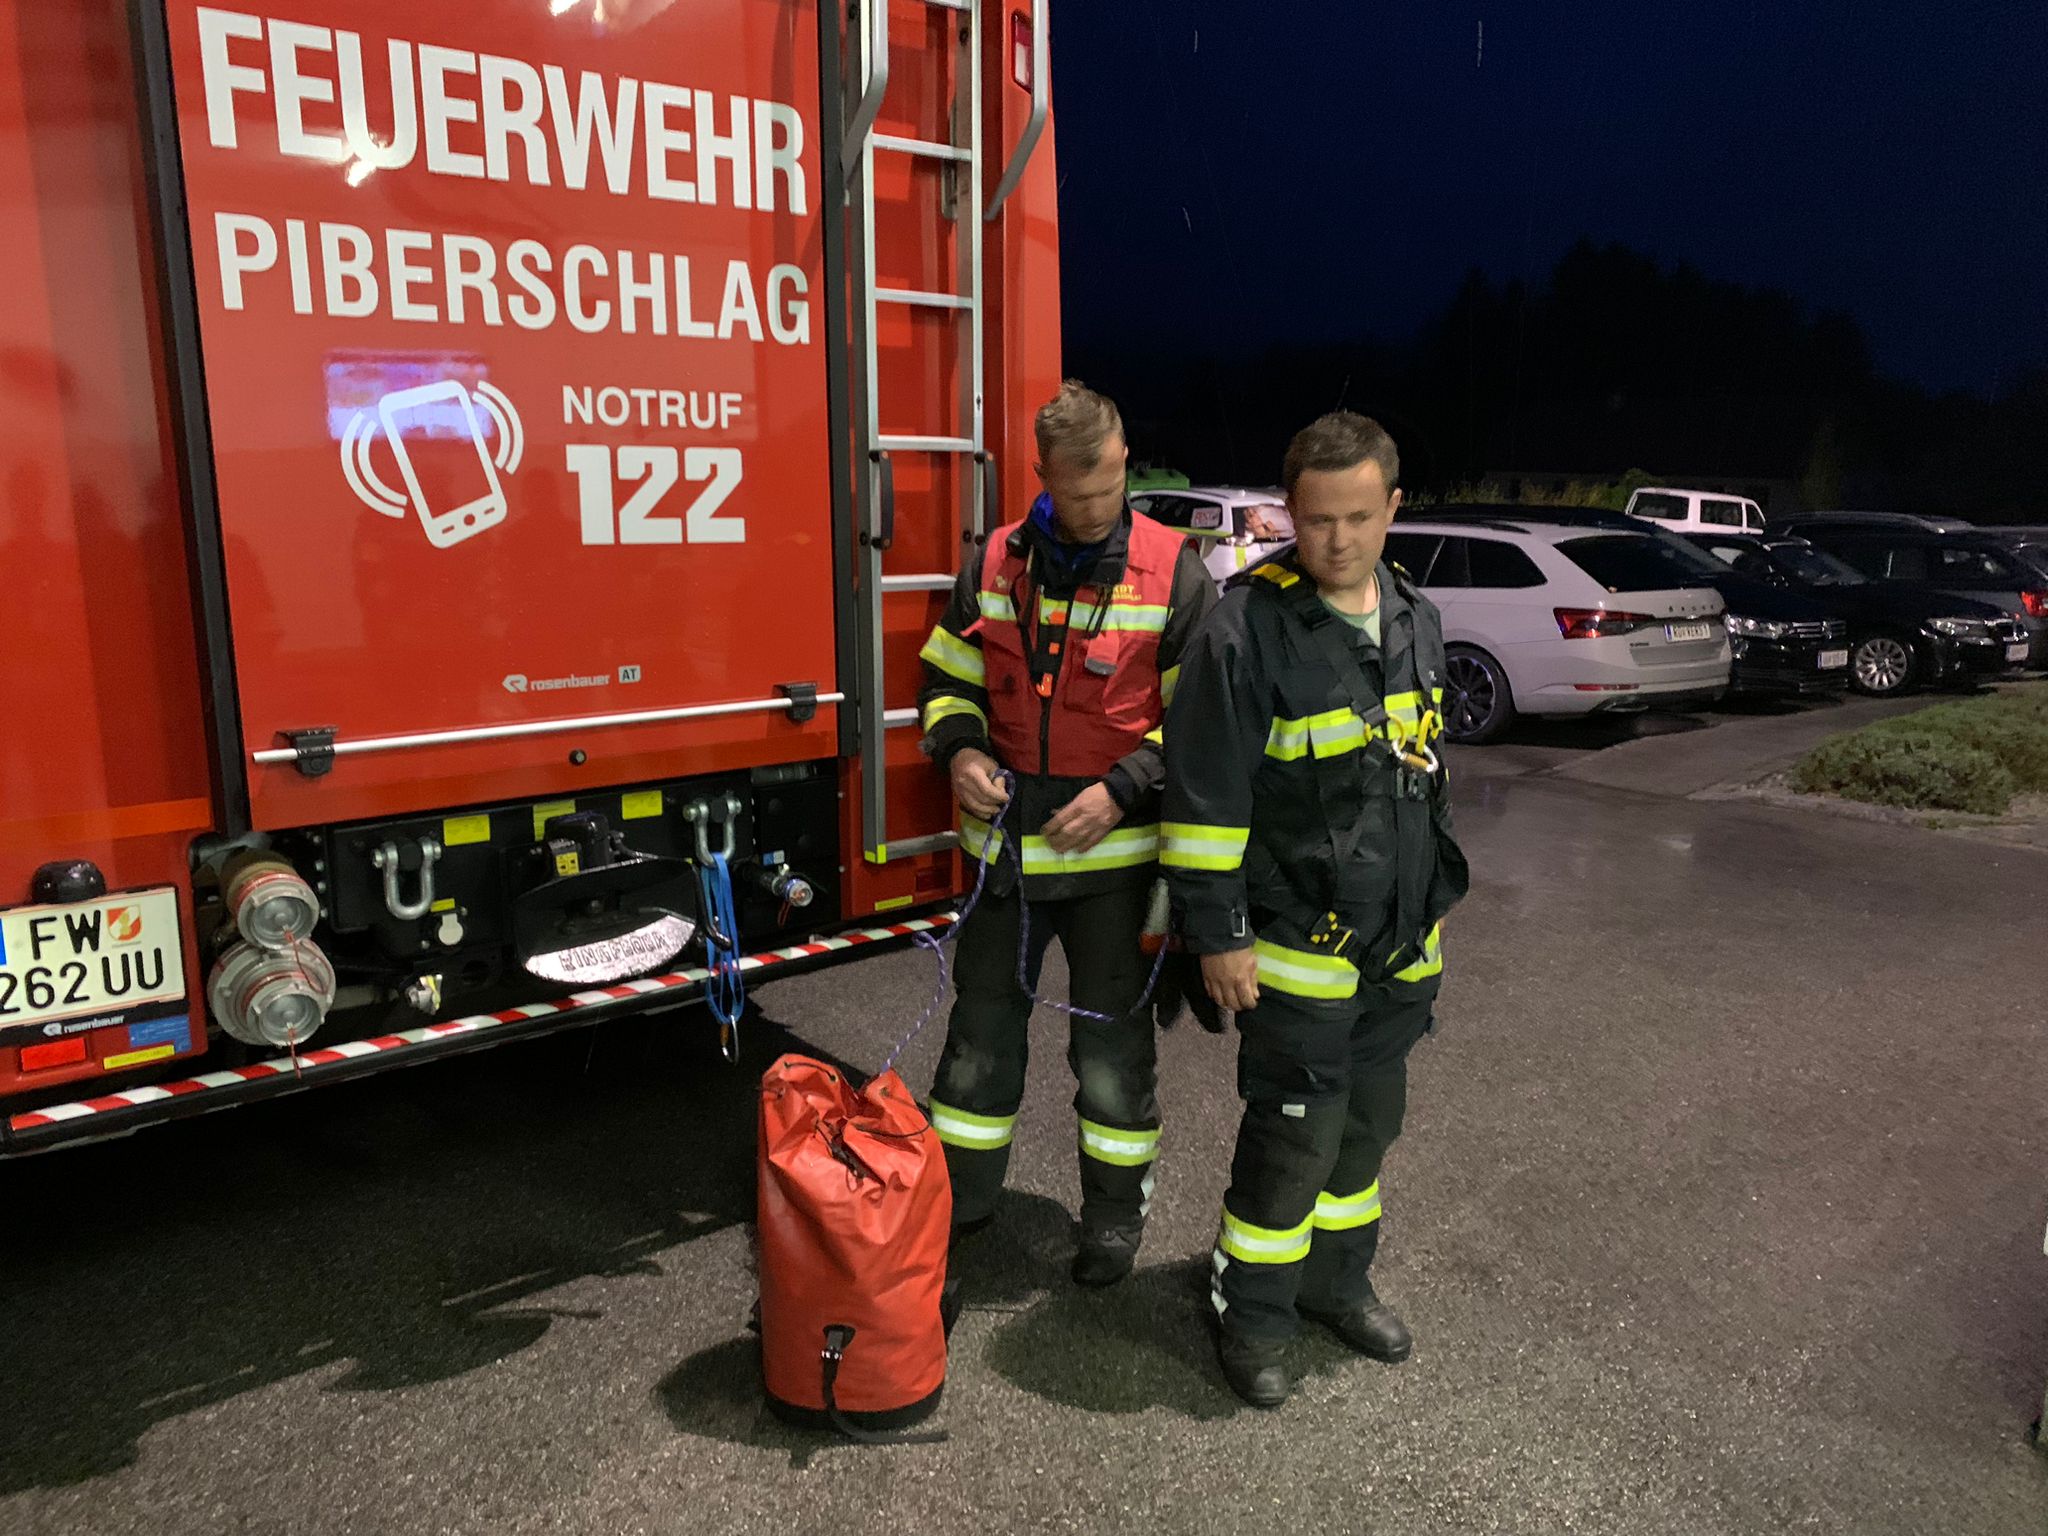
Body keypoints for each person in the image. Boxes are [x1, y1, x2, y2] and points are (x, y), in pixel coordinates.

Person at [1160, 411, 1469, 1405]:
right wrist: (1216, 937)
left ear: (1393, 507)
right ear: (1287, 512)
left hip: (1399, 950)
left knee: (1365, 1133)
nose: (1337, 540)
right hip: (1294, 950)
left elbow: (1421, 777)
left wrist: (1431, 902)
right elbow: (1203, 802)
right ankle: (1250, 1316)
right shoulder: (1242, 631)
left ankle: (1336, 1286)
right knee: (1294, 1141)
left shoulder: (1415, 614)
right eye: (1316, 519)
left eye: (1359, 518)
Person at [916, 380, 1216, 1285]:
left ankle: (1113, 1224)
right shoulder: (993, 563)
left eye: (1111, 487)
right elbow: (947, 680)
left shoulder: (1174, 572)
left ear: (1125, 461)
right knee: (976, 1049)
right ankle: (957, 1210)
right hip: (1005, 865)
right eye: (1078, 494)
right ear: (1042, 475)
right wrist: (962, 750)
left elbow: (1206, 723)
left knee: (1114, 1058)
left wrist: (1124, 789)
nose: (1096, 510)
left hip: (1113, 874)